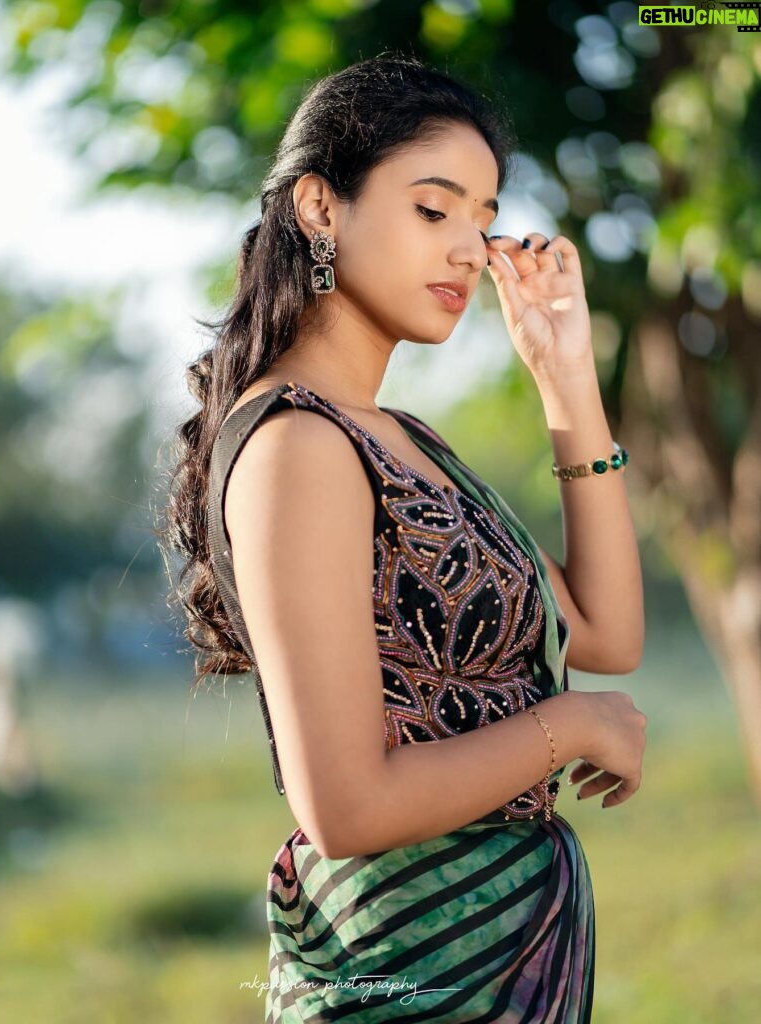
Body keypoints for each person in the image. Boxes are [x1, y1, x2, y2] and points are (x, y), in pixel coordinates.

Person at [160, 52, 647, 1023]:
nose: (471, 248)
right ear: (320, 208)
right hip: (405, 976)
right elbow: (342, 803)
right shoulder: (299, 443)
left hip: (513, 966)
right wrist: (572, 728)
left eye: (484, 216)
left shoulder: (403, 441)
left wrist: (567, 383)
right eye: (435, 209)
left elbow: (603, 629)